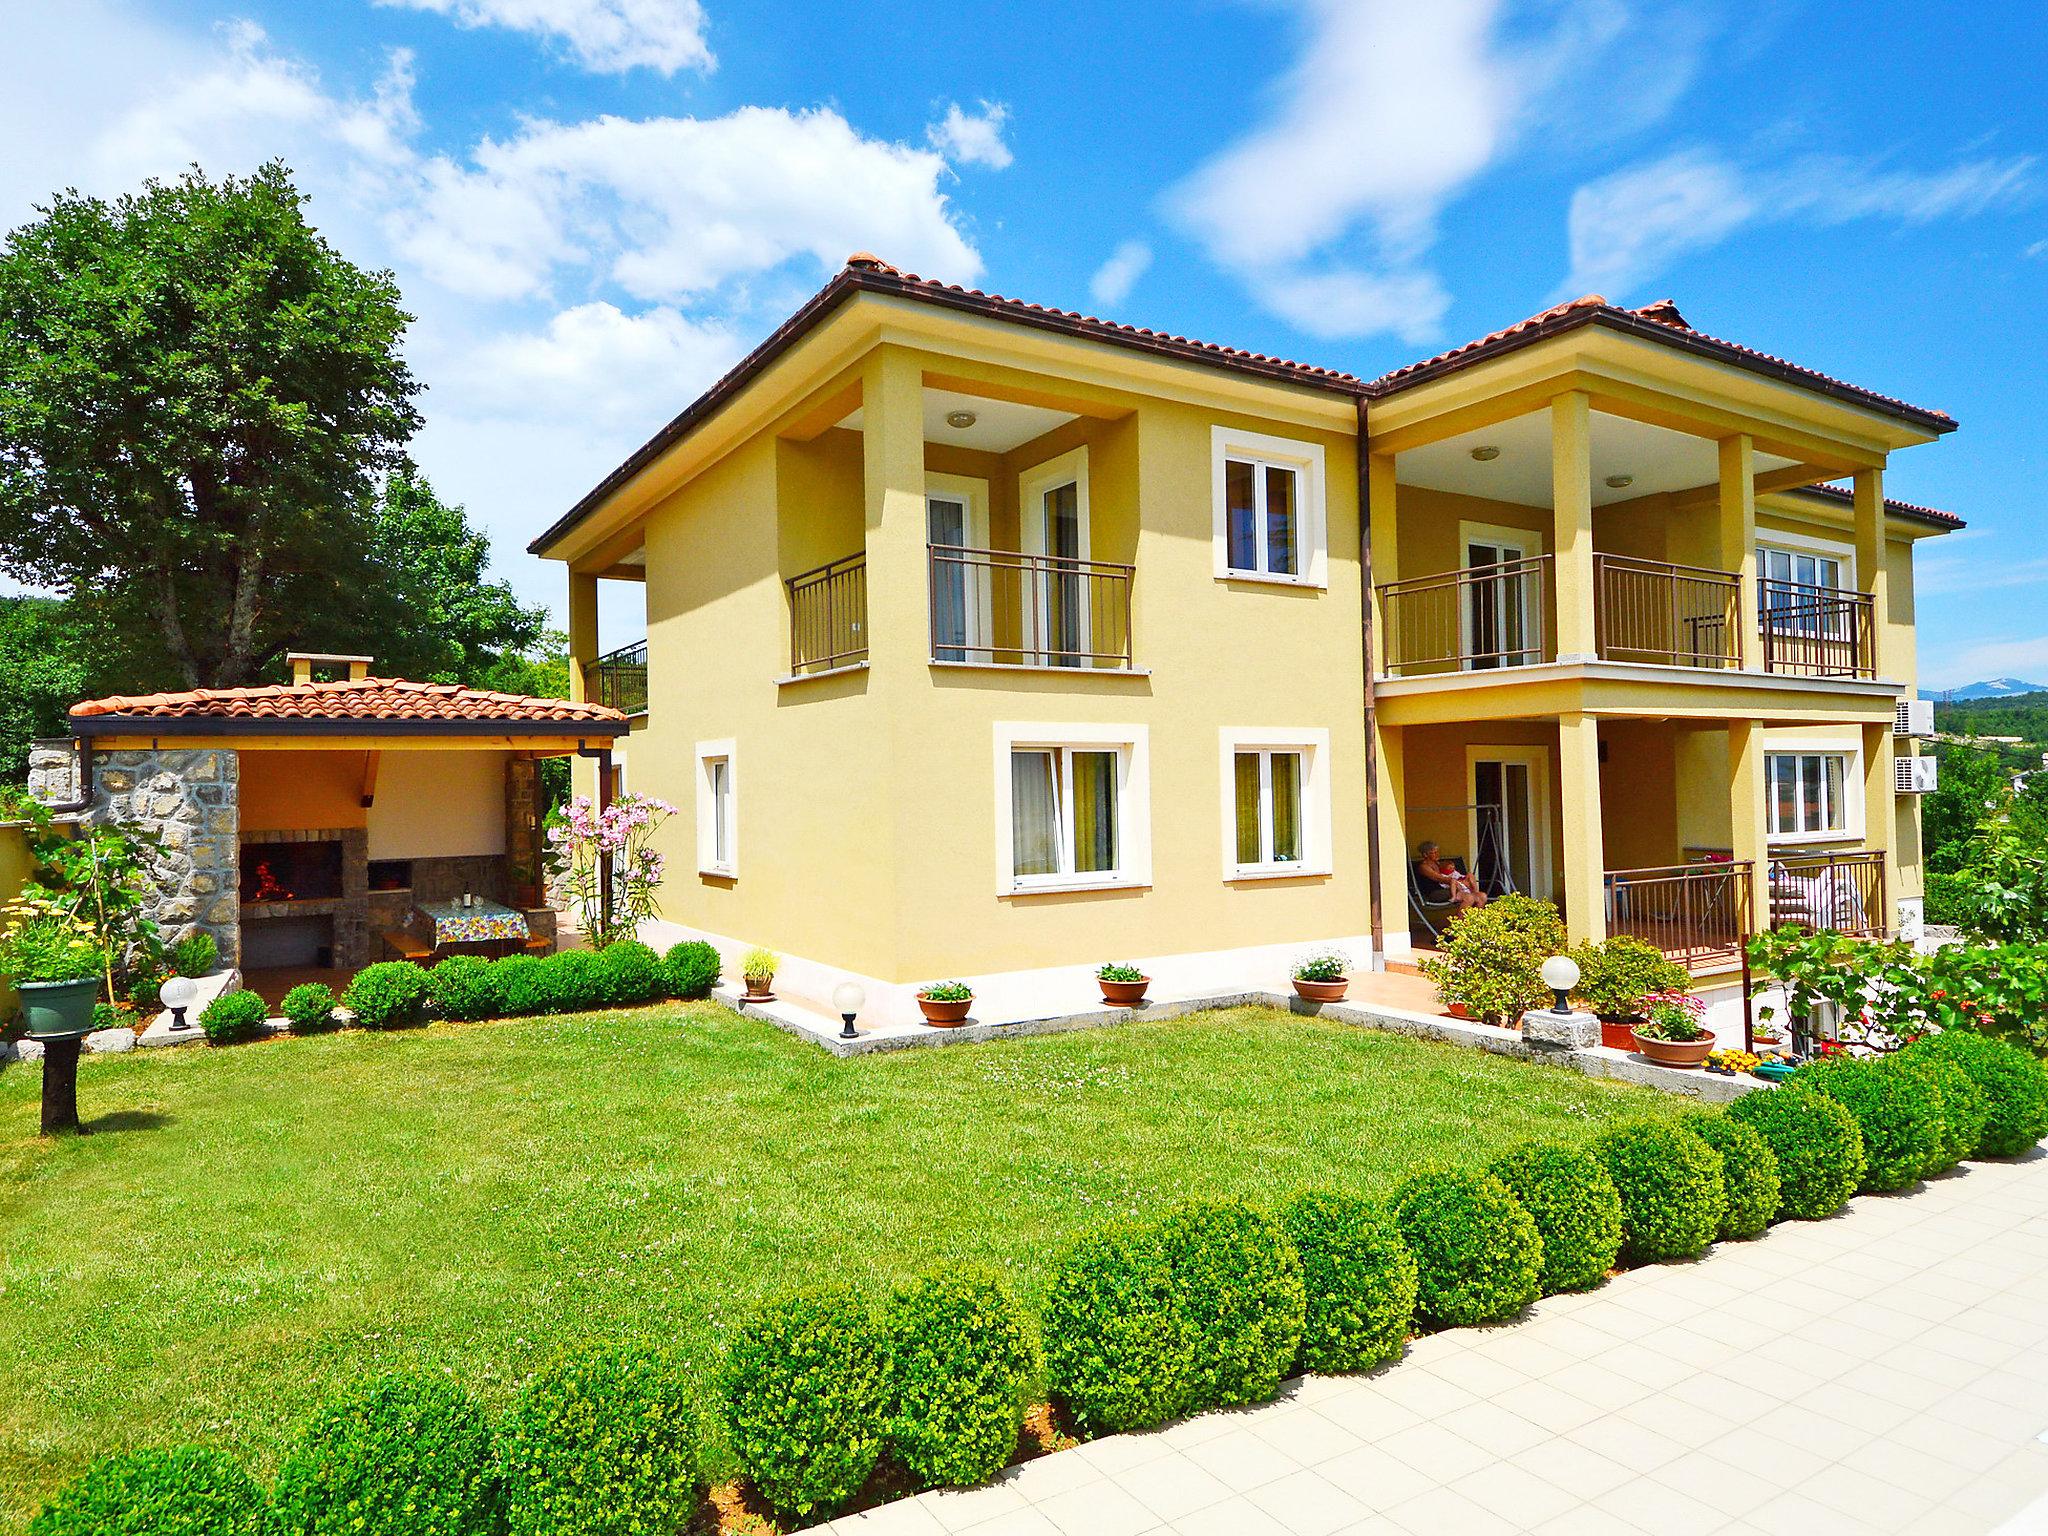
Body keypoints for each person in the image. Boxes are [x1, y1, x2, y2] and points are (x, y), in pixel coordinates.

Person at [1419, 840, 1488, 911]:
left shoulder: (1438, 863)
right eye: (1434, 853)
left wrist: (1463, 882)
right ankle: (1459, 921)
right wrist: (1459, 883)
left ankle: (1474, 920)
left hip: (1451, 888)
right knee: (1469, 898)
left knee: (1482, 896)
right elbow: (1440, 879)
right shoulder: (1424, 867)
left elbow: (1452, 874)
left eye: (1437, 852)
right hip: (1435, 892)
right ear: (1425, 855)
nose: (1437, 854)